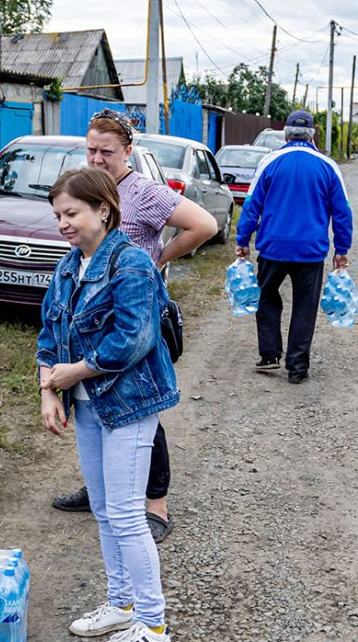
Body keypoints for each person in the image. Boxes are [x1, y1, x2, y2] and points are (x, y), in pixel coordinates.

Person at [52, 109, 217, 543]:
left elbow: (206, 224)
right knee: (96, 407)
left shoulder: (142, 192)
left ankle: (156, 505)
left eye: (106, 151)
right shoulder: (87, 189)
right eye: (90, 149)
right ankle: (100, 489)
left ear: (128, 151)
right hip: (93, 323)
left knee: (141, 410)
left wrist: (159, 257)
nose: (96, 158)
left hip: (134, 318)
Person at [37, 166, 179, 642]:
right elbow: (48, 333)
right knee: (103, 511)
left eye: (71, 213)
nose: (63, 224)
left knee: (125, 513)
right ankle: (121, 603)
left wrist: (71, 374)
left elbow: (132, 341)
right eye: (57, 215)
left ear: (103, 209)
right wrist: (47, 389)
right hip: (87, 406)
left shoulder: (132, 264)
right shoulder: (69, 265)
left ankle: (153, 625)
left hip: (129, 404)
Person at [235, 108, 353, 383]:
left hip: (273, 248)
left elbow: (252, 205)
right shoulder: (327, 166)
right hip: (310, 252)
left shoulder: (270, 162)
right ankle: (297, 368)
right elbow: (343, 212)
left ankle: (269, 355)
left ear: (286, 133)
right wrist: (342, 250)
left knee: (265, 297)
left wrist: (242, 240)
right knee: (304, 306)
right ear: (313, 135)